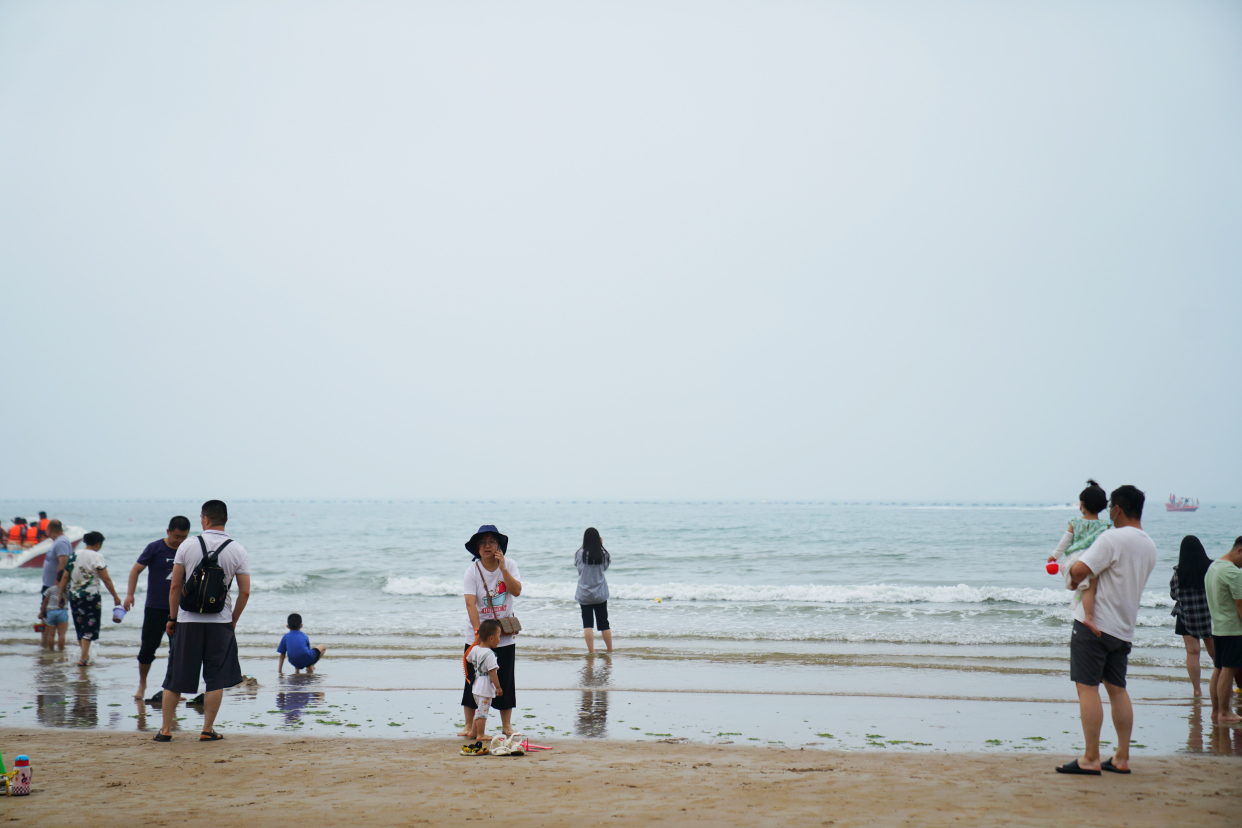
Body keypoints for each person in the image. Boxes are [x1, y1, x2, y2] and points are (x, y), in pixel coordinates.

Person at [1054, 485, 1157, 776]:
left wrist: (1068, 569)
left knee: (1087, 688)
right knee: (1117, 689)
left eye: (1112, 506)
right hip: (1123, 628)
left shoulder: (1112, 538)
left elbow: (1078, 571)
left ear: (1117, 509)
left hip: (1095, 624)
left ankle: (1090, 757)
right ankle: (1122, 758)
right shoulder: (1148, 544)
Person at [154, 500, 251, 743]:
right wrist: (233, 620)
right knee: (215, 677)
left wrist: (172, 618)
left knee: (176, 677)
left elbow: (175, 585)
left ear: (204, 519)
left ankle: (165, 730)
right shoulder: (237, 549)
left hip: (188, 621)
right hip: (220, 622)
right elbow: (245, 592)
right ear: (225, 520)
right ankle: (207, 730)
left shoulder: (187, 545)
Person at [459, 525, 522, 739]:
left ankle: (506, 726)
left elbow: (517, 591)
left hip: (503, 636)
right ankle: (469, 725)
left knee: (505, 680)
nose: (487, 546)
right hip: (478, 636)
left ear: (499, 546)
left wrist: (503, 568)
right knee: (473, 681)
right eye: (483, 542)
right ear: (477, 548)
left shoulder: (510, 565)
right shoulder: (472, 571)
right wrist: (478, 635)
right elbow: (470, 604)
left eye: (492, 542)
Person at [124, 516, 192, 700]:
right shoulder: (155, 547)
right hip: (155, 607)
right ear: (168, 531)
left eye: (184, 537)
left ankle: (173, 688)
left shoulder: (188, 550)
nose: (180, 541)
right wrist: (130, 594)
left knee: (177, 652)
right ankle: (142, 685)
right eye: (177, 536)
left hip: (179, 610)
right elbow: (135, 570)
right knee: (147, 649)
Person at [1047, 480, 1111, 636]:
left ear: (1082, 504)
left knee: (1083, 582)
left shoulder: (1075, 523)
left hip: (1073, 560)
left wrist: (1054, 556)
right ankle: (1089, 616)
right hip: (1090, 560)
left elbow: (1065, 541)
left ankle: (1076, 585)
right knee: (1091, 585)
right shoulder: (1105, 525)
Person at [59, 531, 122, 666]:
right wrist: (115, 596)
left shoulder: (74, 555)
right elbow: (106, 578)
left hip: (74, 596)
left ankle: (85, 656)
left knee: (80, 625)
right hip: (91, 596)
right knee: (89, 625)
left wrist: (61, 595)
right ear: (98, 543)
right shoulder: (97, 556)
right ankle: (83, 658)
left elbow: (65, 577)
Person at [1170, 535, 1216, 697]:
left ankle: (1197, 690)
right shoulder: (1211, 568)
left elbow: (1173, 594)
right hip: (1207, 616)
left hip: (1186, 617)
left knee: (1192, 653)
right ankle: (1225, 687)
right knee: (1215, 654)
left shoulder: (1178, 573)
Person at [1204, 536, 1242, 726]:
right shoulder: (1232, 572)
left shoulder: (1213, 567)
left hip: (1217, 627)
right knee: (1228, 670)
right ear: (1240, 551)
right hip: (1233, 629)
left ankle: (1216, 711)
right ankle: (1225, 712)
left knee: (1219, 669)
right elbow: (1240, 605)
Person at [461, 619, 504, 755]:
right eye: (498, 637)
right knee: (482, 712)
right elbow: (492, 672)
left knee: (478, 710)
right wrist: (498, 687)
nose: (499, 640)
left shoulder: (475, 649)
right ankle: (480, 734)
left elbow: (467, 658)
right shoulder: (490, 655)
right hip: (485, 686)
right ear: (491, 638)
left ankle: (474, 731)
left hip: (475, 685)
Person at [575, 527, 613, 654]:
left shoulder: (579, 553)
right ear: (598, 539)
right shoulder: (603, 554)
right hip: (600, 593)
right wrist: (601, 546)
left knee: (587, 624)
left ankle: (591, 651)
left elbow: (578, 568)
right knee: (604, 624)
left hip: (584, 593)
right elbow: (605, 567)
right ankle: (609, 650)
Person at [41, 520, 72, 615]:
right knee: (45, 614)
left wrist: (58, 584)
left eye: (46, 530)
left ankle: (49, 630)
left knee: (50, 615)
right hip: (49, 584)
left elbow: (63, 563)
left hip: (54, 586)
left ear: (50, 530)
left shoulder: (61, 542)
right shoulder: (57, 541)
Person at [38, 576, 69, 650]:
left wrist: (41, 613)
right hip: (62, 611)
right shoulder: (66, 590)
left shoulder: (50, 589)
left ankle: (51, 650)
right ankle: (61, 650)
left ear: (56, 579)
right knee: (61, 634)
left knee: (51, 634)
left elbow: (45, 602)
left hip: (51, 612)